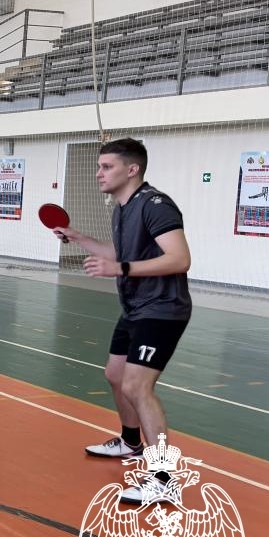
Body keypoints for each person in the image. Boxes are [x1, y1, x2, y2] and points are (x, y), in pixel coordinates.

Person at [53, 138, 191, 504]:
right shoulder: (122, 208)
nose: (99, 173)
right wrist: (79, 238)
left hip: (163, 308)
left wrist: (121, 268)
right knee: (115, 375)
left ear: (132, 169)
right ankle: (131, 443)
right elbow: (119, 253)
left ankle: (163, 478)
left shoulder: (156, 205)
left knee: (137, 386)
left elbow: (180, 258)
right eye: (99, 167)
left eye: (107, 167)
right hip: (134, 308)